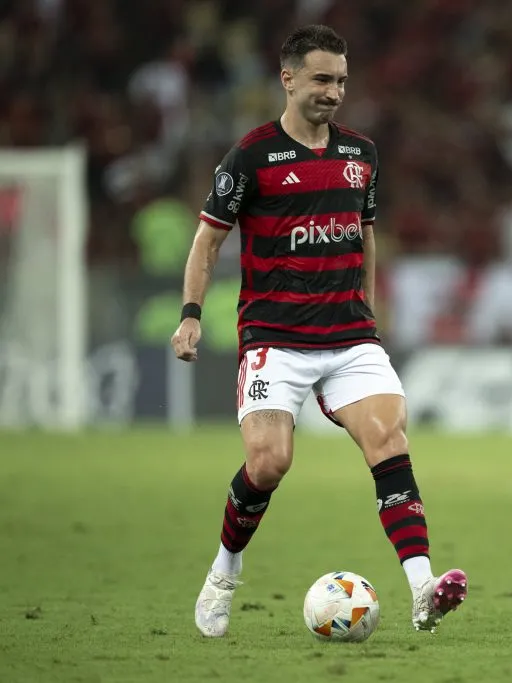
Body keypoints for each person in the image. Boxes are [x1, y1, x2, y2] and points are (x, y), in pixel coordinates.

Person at [170, 24, 467, 638]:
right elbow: (207, 241)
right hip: (273, 339)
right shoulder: (252, 155)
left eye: (341, 81)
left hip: (349, 337)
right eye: (322, 79)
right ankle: (224, 571)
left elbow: (366, 235)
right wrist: (191, 316)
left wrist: (367, 311)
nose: (334, 92)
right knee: (270, 462)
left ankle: (422, 590)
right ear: (288, 78)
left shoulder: (362, 154)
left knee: (389, 439)